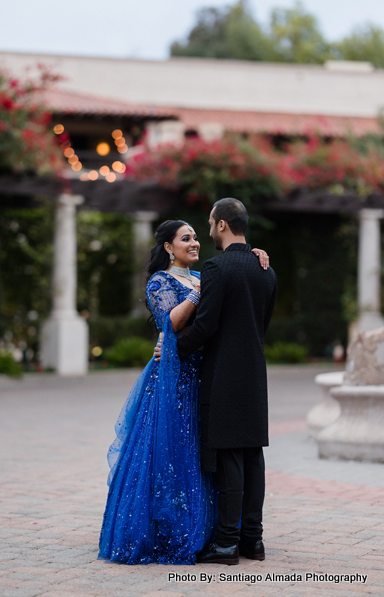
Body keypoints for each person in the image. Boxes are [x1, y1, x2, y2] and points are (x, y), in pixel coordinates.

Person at [98, 218, 269, 565]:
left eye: (195, 237)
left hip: (205, 375)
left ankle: (211, 532)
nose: (194, 243)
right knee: (171, 453)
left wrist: (253, 255)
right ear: (168, 247)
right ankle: (170, 529)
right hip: (173, 380)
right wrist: (197, 293)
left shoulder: (205, 275)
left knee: (203, 455)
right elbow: (170, 323)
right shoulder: (159, 281)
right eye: (185, 238)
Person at [176, 198, 277, 565]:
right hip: (255, 371)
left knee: (231, 457)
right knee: (253, 456)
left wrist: (175, 350)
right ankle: (254, 541)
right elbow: (260, 325)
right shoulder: (266, 270)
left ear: (221, 225)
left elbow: (206, 325)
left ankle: (226, 544)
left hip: (224, 373)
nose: (207, 230)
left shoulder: (216, 268)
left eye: (209, 223)